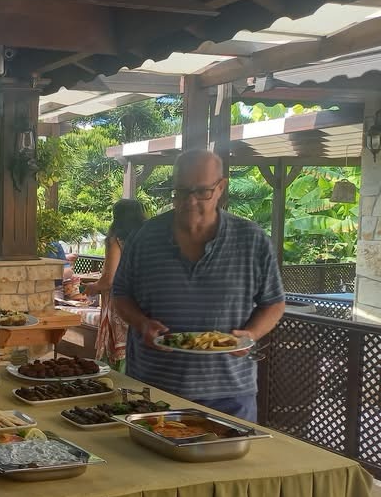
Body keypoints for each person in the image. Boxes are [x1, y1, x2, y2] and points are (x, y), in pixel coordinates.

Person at [112, 150, 285, 421]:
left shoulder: (252, 240)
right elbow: (121, 295)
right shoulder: (145, 238)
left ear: (221, 188)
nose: (190, 201)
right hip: (153, 389)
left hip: (229, 394)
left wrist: (250, 334)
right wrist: (142, 324)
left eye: (202, 191)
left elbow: (273, 303)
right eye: (182, 191)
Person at [85, 199, 147, 372]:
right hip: (142, 299)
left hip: (121, 300)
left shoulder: (116, 240)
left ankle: (116, 382)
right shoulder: (146, 238)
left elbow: (109, 280)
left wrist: (93, 287)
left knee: (117, 353)